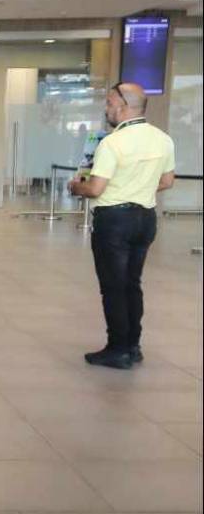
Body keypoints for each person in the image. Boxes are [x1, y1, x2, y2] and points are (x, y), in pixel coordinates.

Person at [70, 81, 175, 369]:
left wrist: (75, 187)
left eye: (109, 103)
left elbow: (95, 188)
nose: (107, 109)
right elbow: (167, 181)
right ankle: (133, 346)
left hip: (114, 221)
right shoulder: (163, 139)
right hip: (145, 219)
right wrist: (138, 187)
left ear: (123, 106)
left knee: (113, 286)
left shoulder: (112, 143)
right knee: (132, 283)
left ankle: (117, 348)